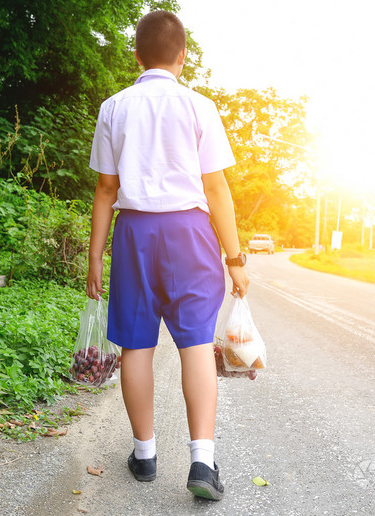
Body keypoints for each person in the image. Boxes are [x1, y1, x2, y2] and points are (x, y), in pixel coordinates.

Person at [85, 10, 249, 501]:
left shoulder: (114, 107)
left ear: (136, 55)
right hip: (191, 233)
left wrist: (94, 258)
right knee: (196, 344)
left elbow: (104, 188)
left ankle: (146, 453)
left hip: (134, 232)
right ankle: (202, 462)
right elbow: (216, 187)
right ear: (182, 57)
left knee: (137, 345)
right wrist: (236, 259)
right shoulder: (199, 106)